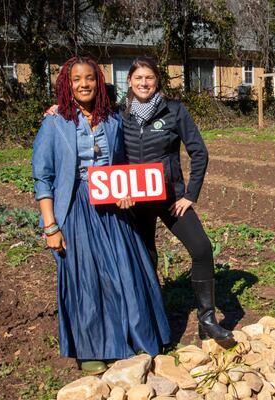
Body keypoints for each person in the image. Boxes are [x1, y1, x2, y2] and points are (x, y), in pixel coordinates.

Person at [32, 56, 171, 375]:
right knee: (87, 280)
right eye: (77, 79)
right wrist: (51, 225)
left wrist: (126, 191)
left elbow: (123, 163)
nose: (84, 84)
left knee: (125, 271)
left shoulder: (112, 120)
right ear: (67, 84)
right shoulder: (54, 122)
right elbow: (43, 177)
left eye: (90, 78)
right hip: (76, 207)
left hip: (110, 206)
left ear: (99, 82)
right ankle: (93, 349)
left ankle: (134, 338)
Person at [118, 56, 232, 342]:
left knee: (202, 248)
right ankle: (149, 323)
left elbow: (199, 152)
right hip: (136, 203)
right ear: (129, 81)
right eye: (138, 78)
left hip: (171, 199)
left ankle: (207, 321)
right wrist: (57, 109)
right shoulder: (119, 113)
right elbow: (87, 117)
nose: (144, 83)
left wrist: (190, 195)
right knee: (146, 259)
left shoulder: (174, 110)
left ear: (158, 81)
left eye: (150, 78)